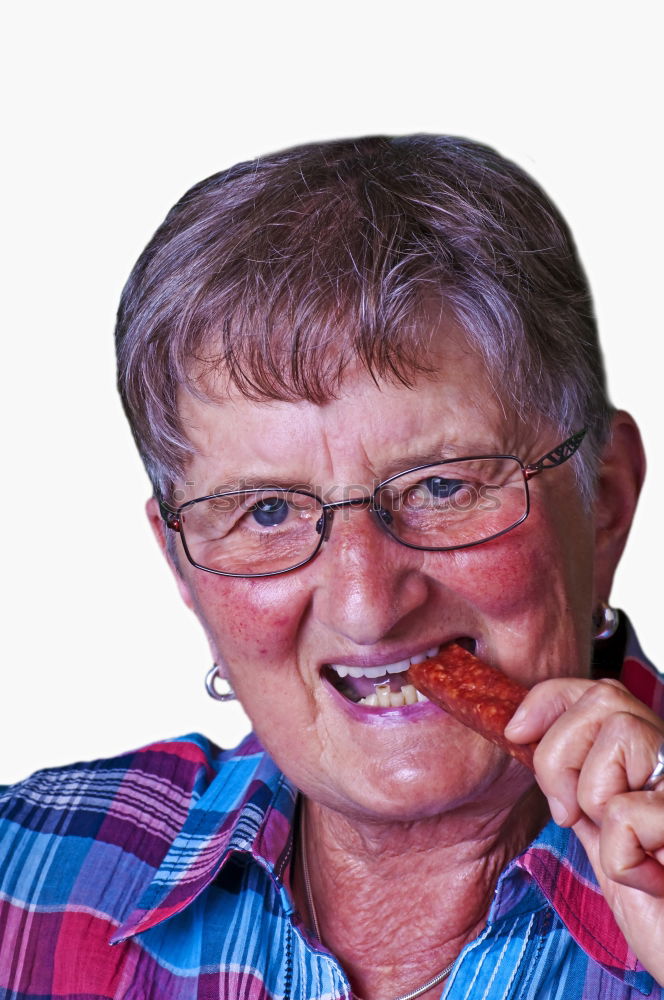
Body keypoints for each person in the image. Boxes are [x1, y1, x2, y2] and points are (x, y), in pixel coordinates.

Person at [1, 135, 663, 1000]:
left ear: (605, 499)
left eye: (442, 486)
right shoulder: (26, 878)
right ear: (180, 561)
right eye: (267, 511)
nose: (365, 604)